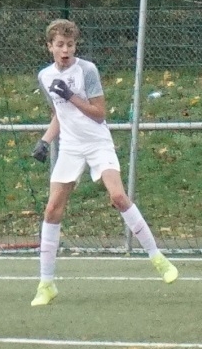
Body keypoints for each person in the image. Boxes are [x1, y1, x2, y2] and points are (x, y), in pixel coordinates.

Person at [28, 19, 178, 306]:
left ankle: (158, 259)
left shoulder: (87, 70)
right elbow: (60, 115)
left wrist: (71, 96)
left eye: (70, 45)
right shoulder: (45, 76)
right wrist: (45, 141)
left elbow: (99, 113)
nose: (65, 50)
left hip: (98, 143)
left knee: (118, 197)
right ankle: (46, 284)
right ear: (49, 47)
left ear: (75, 46)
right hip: (70, 147)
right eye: (59, 45)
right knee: (52, 210)